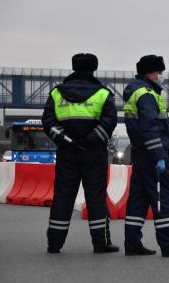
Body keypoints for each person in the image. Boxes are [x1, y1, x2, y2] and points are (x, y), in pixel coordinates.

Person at [42, 53, 119, 254]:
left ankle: (54, 243)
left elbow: (48, 122)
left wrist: (65, 138)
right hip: (94, 154)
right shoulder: (103, 93)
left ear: (73, 67)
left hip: (67, 153)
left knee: (63, 197)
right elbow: (109, 122)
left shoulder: (57, 93)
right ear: (94, 68)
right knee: (96, 197)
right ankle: (101, 243)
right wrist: (89, 140)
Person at [123, 55, 169, 257]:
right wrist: (160, 156)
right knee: (162, 200)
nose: (161, 75)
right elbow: (150, 128)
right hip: (152, 156)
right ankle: (168, 244)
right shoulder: (146, 94)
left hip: (141, 155)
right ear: (149, 72)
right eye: (159, 72)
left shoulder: (136, 91)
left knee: (138, 199)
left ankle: (133, 243)